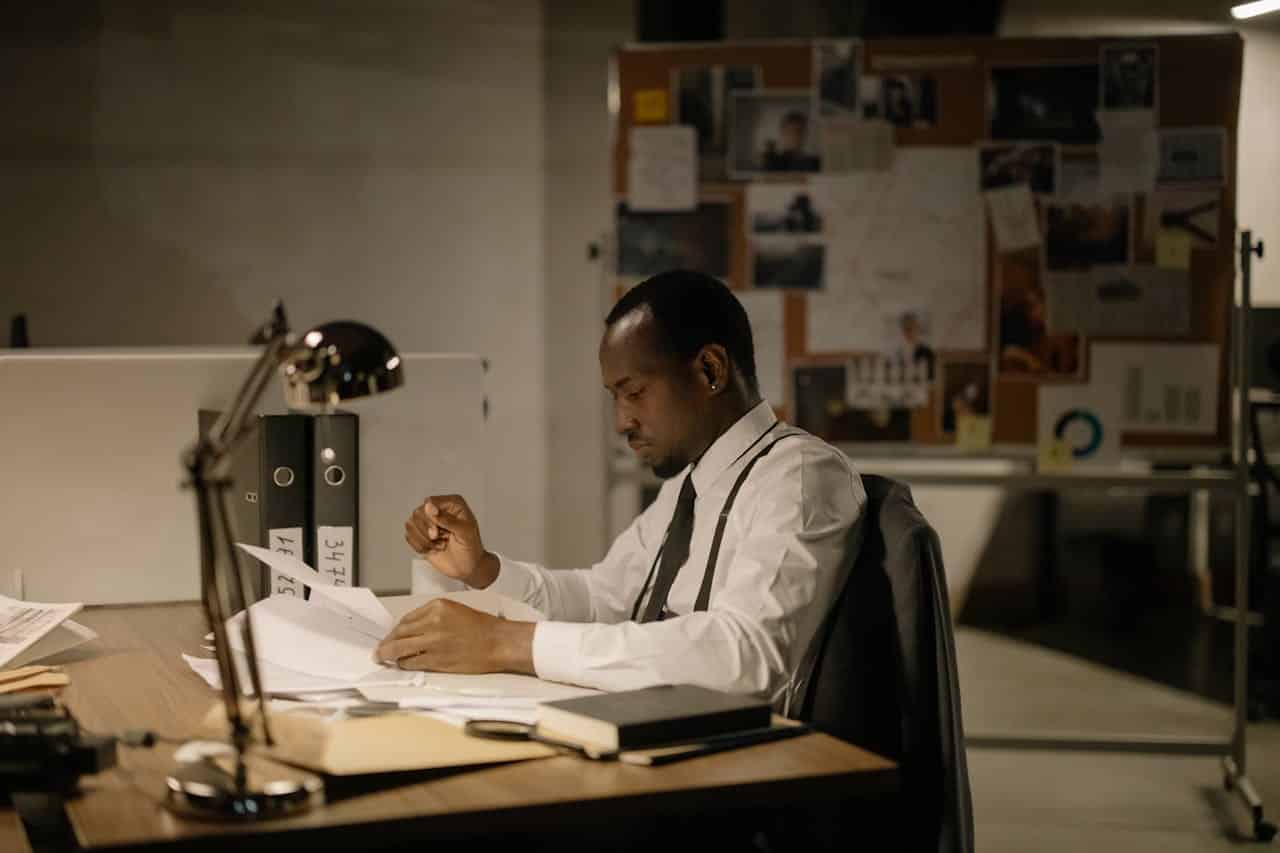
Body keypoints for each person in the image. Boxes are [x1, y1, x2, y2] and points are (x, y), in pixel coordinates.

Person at [377, 270, 866, 712]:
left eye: (635, 394)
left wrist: (509, 643)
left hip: (746, 774)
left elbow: (747, 657)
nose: (621, 422)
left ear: (710, 371)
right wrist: (482, 570)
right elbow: (603, 598)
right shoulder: (688, 487)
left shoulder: (798, 476)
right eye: (615, 399)